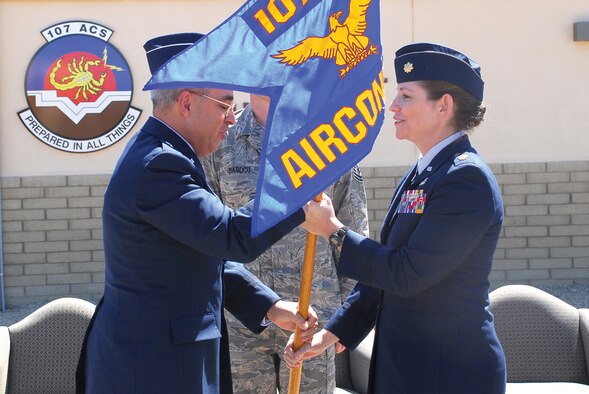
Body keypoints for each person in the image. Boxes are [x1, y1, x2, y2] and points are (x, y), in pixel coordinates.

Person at [76, 32, 319, 394]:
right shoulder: (160, 164)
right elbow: (231, 237)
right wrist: (296, 186)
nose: (233, 119)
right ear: (187, 103)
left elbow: (204, 252)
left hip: (166, 358)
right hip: (151, 368)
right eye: (224, 106)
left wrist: (267, 306)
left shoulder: (171, 155)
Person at [285, 42, 507, 394]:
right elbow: (382, 276)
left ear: (443, 106)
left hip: (449, 374)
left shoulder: (466, 180)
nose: (393, 106)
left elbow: (407, 274)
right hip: (408, 368)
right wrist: (330, 335)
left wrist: (334, 231)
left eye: (405, 95)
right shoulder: (424, 173)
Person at [202, 94, 369, 393]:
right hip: (242, 314)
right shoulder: (222, 137)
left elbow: (352, 228)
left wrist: (348, 317)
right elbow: (209, 232)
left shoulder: (327, 137)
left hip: (312, 313)